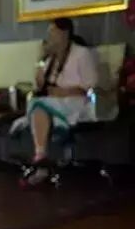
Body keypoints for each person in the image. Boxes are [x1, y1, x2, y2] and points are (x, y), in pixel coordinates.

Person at [20, 17, 98, 187]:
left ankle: (41, 164)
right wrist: (41, 60)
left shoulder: (81, 53)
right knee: (38, 105)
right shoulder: (51, 58)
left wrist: (64, 92)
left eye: (53, 32)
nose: (50, 36)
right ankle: (41, 158)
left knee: (39, 106)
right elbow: (39, 85)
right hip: (52, 102)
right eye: (49, 33)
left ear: (65, 33)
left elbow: (91, 86)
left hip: (77, 101)